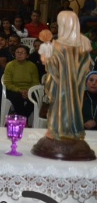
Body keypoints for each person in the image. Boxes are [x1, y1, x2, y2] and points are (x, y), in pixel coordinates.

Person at [39, 11, 93, 141]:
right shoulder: (85, 42)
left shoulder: (57, 45)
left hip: (61, 86)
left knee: (60, 106)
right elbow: (87, 65)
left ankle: (59, 130)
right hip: (77, 85)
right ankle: (74, 130)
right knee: (74, 105)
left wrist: (45, 53)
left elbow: (49, 65)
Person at [3, 45, 39, 119]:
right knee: (17, 98)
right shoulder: (10, 65)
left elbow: (35, 82)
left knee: (35, 99)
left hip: (29, 90)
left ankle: (21, 119)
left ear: (27, 55)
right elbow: (7, 83)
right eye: (17, 52)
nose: (19, 54)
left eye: (22, 53)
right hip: (14, 90)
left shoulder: (32, 66)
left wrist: (28, 91)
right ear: (14, 54)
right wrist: (20, 90)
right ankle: (23, 120)